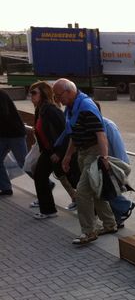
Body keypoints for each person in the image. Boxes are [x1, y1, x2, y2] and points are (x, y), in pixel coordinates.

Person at [54, 78, 117, 244]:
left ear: (69, 92)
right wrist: (68, 156)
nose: (57, 99)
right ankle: (110, 224)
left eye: (59, 95)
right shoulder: (72, 109)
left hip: (93, 153)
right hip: (82, 153)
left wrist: (104, 158)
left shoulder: (86, 107)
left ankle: (89, 232)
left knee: (82, 193)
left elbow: (100, 134)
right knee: (95, 190)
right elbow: (74, 134)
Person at [28, 81, 72, 218]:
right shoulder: (40, 110)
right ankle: (48, 210)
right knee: (39, 176)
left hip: (58, 151)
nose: (31, 96)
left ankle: (100, 207)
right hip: (48, 152)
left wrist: (59, 153)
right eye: (30, 93)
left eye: (34, 93)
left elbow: (64, 132)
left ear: (43, 94)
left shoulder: (51, 110)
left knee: (72, 179)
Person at [95, 102, 135, 228]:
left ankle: (125, 206)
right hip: (103, 165)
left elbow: (119, 149)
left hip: (114, 165)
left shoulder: (108, 126)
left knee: (107, 191)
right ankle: (118, 219)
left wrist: (119, 169)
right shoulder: (95, 127)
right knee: (106, 191)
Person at [0, 89, 28, 196]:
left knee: (24, 163)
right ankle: (5, 188)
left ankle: (46, 183)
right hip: (3, 135)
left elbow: (4, 113)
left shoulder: (1, 95)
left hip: (15, 134)